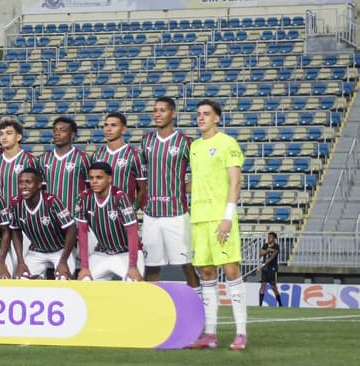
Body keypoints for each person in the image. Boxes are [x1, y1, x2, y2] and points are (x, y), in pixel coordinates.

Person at [187, 99, 248, 351]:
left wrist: (227, 216)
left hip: (220, 219)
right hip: (199, 219)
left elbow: (235, 182)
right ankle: (209, 334)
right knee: (207, 276)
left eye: (206, 114)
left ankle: (241, 333)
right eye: (198, 114)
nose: (201, 118)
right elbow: (197, 182)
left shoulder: (227, 143)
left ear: (217, 118)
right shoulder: (194, 147)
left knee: (232, 272)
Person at [138, 97, 199, 294]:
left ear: (173, 114)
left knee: (187, 265)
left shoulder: (185, 143)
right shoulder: (146, 141)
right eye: (155, 110)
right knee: (151, 266)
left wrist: (181, 189)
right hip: (151, 215)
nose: (157, 114)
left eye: (162, 110)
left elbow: (200, 175)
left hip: (177, 214)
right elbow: (142, 178)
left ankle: (201, 313)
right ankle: (150, 313)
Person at [76, 162, 144, 282]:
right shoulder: (83, 198)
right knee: (84, 280)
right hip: (102, 253)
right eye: (91, 178)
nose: (94, 181)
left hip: (126, 253)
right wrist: (84, 267)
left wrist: (132, 266)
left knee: (133, 282)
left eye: (99, 178)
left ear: (109, 179)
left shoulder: (120, 197)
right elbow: (82, 234)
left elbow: (132, 233)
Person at [11, 167, 77, 280]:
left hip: (60, 250)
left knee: (63, 278)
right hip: (37, 251)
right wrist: (21, 262)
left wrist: (63, 261)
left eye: (28, 182)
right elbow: (15, 231)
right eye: (21, 182)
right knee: (20, 280)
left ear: (39, 185)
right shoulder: (16, 203)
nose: (24, 186)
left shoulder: (52, 202)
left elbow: (72, 229)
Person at [91, 112, 145, 209]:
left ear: (123, 130)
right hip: (101, 214)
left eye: (113, 125)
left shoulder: (134, 155)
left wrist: (133, 209)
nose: (108, 129)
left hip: (124, 215)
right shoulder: (97, 155)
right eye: (106, 125)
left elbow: (143, 189)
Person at [40, 116, 89, 214]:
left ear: (72, 134)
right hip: (51, 216)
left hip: (75, 215)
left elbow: (90, 188)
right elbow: (42, 189)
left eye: (63, 130)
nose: (57, 133)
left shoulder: (83, 158)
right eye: (55, 130)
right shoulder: (44, 159)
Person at [0, 119, 37, 202]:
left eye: (9, 133)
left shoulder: (30, 160)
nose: (4, 137)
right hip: (2, 212)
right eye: (1, 134)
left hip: (23, 212)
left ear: (18, 137)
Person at [259, 232, 283, 306]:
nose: (269, 238)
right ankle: (260, 304)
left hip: (272, 268)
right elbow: (260, 254)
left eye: (271, 237)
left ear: (274, 238)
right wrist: (267, 250)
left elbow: (273, 256)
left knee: (273, 287)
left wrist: (264, 264)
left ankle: (280, 303)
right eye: (268, 237)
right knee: (263, 285)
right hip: (265, 268)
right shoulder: (265, 245)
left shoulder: (276, 246)